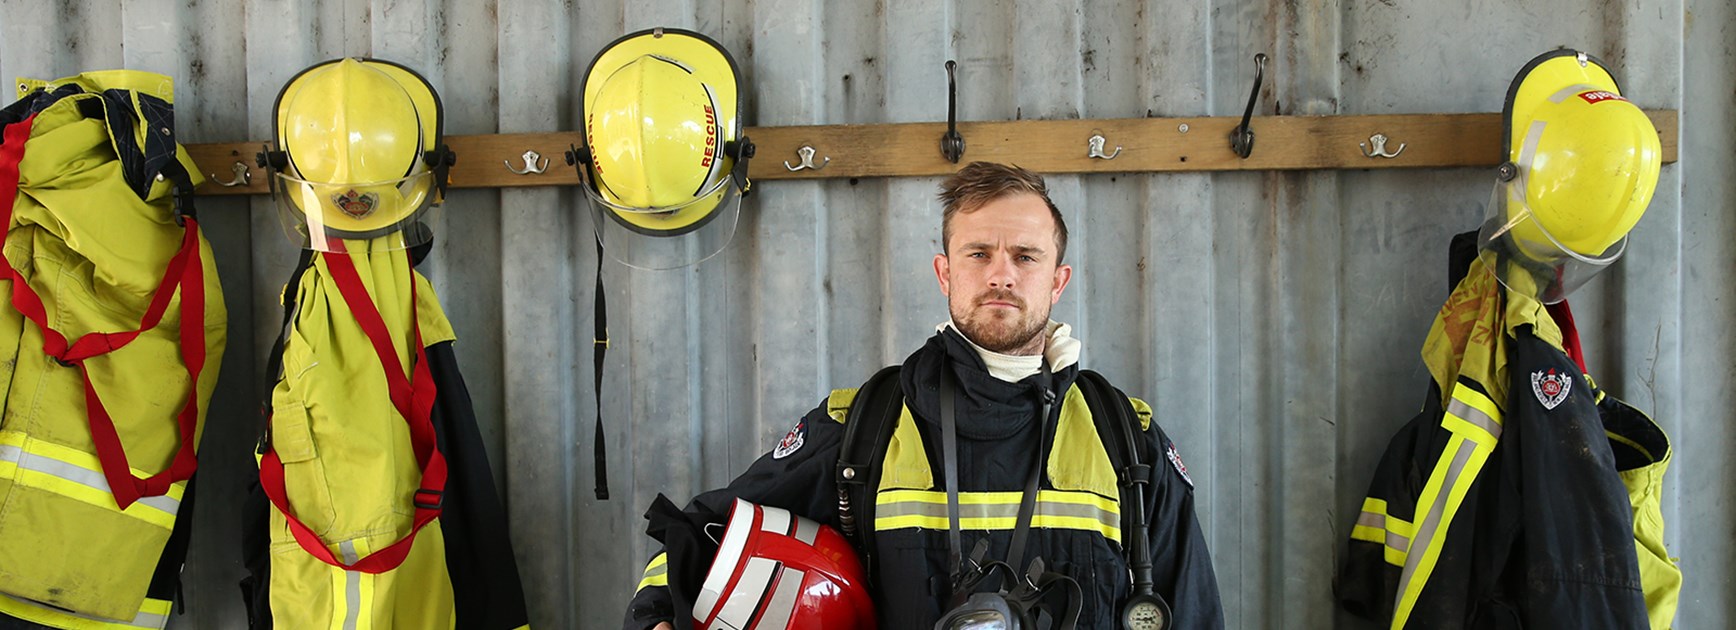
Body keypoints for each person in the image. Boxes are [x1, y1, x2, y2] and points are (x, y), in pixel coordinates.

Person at [625, 161, 1223, 629]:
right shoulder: (863, 426)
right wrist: (657, 614)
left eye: (1026, 256)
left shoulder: (1127, 439)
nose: (1001, 274)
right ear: (945, 273)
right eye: (979, 253)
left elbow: (1193, 614)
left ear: (1057, 280)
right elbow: (704, 533)